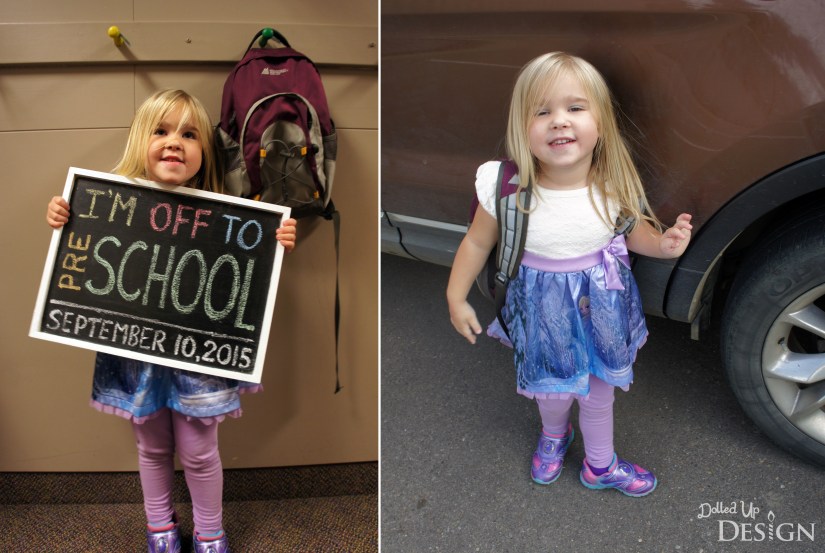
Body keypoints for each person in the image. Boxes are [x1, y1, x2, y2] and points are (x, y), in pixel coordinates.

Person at [46, 89, 297, 552]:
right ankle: (160, 528)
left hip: (197, 357)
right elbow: (77, 253)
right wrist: (66, 215)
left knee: (200, 453)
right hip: (134, 347)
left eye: (188, 134)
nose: (174, 142)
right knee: (153, 448)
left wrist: (273, 239)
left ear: (204, 151)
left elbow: (246, 279)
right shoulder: (105, 204)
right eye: (160, 131)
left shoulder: (227, 215)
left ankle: (209, 532)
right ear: (141, 141)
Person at [446, 53, 692, 498]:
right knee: (552, 391)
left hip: (601, 306)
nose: (559, 122)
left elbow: (633, 231)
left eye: (575, 108)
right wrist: (455, 296)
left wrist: (664, 244)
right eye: (542, 112)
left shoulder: (611, 182)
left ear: (601, 123)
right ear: (523, 128)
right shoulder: (508, 188)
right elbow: (478, 243)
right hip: (542, 311)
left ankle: (600, 465)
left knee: (599, 394)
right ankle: (554, 435)